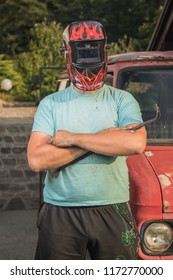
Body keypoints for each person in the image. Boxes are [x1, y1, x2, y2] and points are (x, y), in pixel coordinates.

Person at [27, 20, 146, 260]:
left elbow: (134, 143)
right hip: (59, 212)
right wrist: (107, 138)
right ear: (67, 52)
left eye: (93, 49)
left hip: (112, 208)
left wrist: (71, 138)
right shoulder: (51, 104)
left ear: (104, 50)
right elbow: (37, 160)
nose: (88, 57)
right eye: (82, 49)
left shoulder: (122, 99)